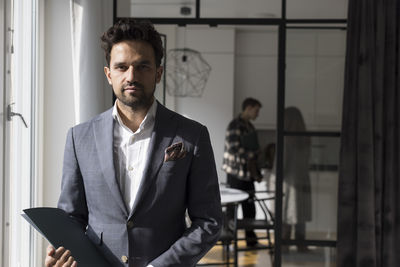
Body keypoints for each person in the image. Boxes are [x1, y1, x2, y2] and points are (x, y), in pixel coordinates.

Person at [45, 19, 222, 267]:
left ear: (158, 73)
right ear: (108, 74)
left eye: (142, 66)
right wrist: (61, 254)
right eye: (121, 67)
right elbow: (71, 217)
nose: (131, 76)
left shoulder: (192, 136)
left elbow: (209, 222)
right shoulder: (79, 137)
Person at [222, 97, 263, 247]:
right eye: (256, 110)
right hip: (235, 174)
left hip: (247, 174)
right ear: (249, 108)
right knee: (232, 208)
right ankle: (228, 240)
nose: (258, 114)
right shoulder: (235, 125)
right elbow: (234, 149)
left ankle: (250, 240)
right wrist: (255, 153)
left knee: (250, 208)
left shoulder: (250, 127)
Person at [282, 106, 312, 252]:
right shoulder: (306, 137)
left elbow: (283, 164)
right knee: (300, 215)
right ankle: (301, 245)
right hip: (303, 179)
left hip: (289, 182)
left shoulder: (286, 138)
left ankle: (284, 246)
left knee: (287, 214)